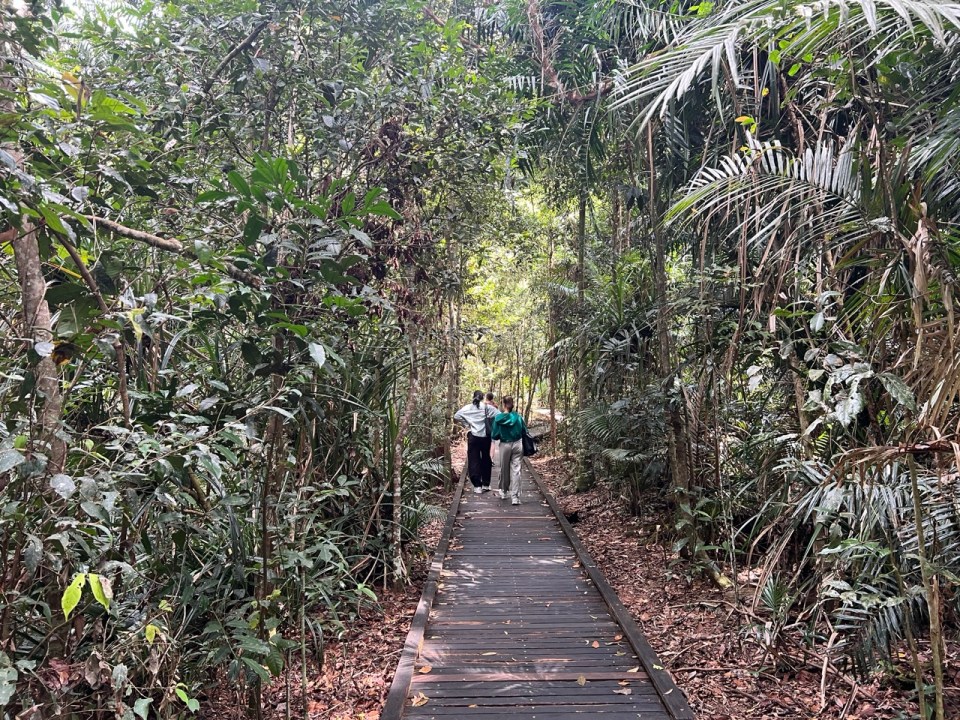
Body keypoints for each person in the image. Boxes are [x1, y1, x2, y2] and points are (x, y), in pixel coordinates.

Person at [454, 390, 498, 493]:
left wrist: (467, 425)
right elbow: (498, 414)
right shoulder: (487, 408)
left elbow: (456, 416)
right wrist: (491, 423)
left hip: (473, 436)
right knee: (486, 459)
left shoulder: (467, 408)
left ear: (473, 397)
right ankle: (486, 484)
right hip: (485, 437)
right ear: (483, 398)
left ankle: (477, 486)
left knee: (474, 460)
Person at [490, 396, 526, 505]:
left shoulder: (498, 418)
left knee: (504, 468)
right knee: (516, 470)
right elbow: (524, 431)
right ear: (512, 404)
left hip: (505, 444)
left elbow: (494, 435)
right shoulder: (518, 417)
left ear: (504, 404)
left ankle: (504, 491)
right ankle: (515, 497)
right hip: (518, 444)